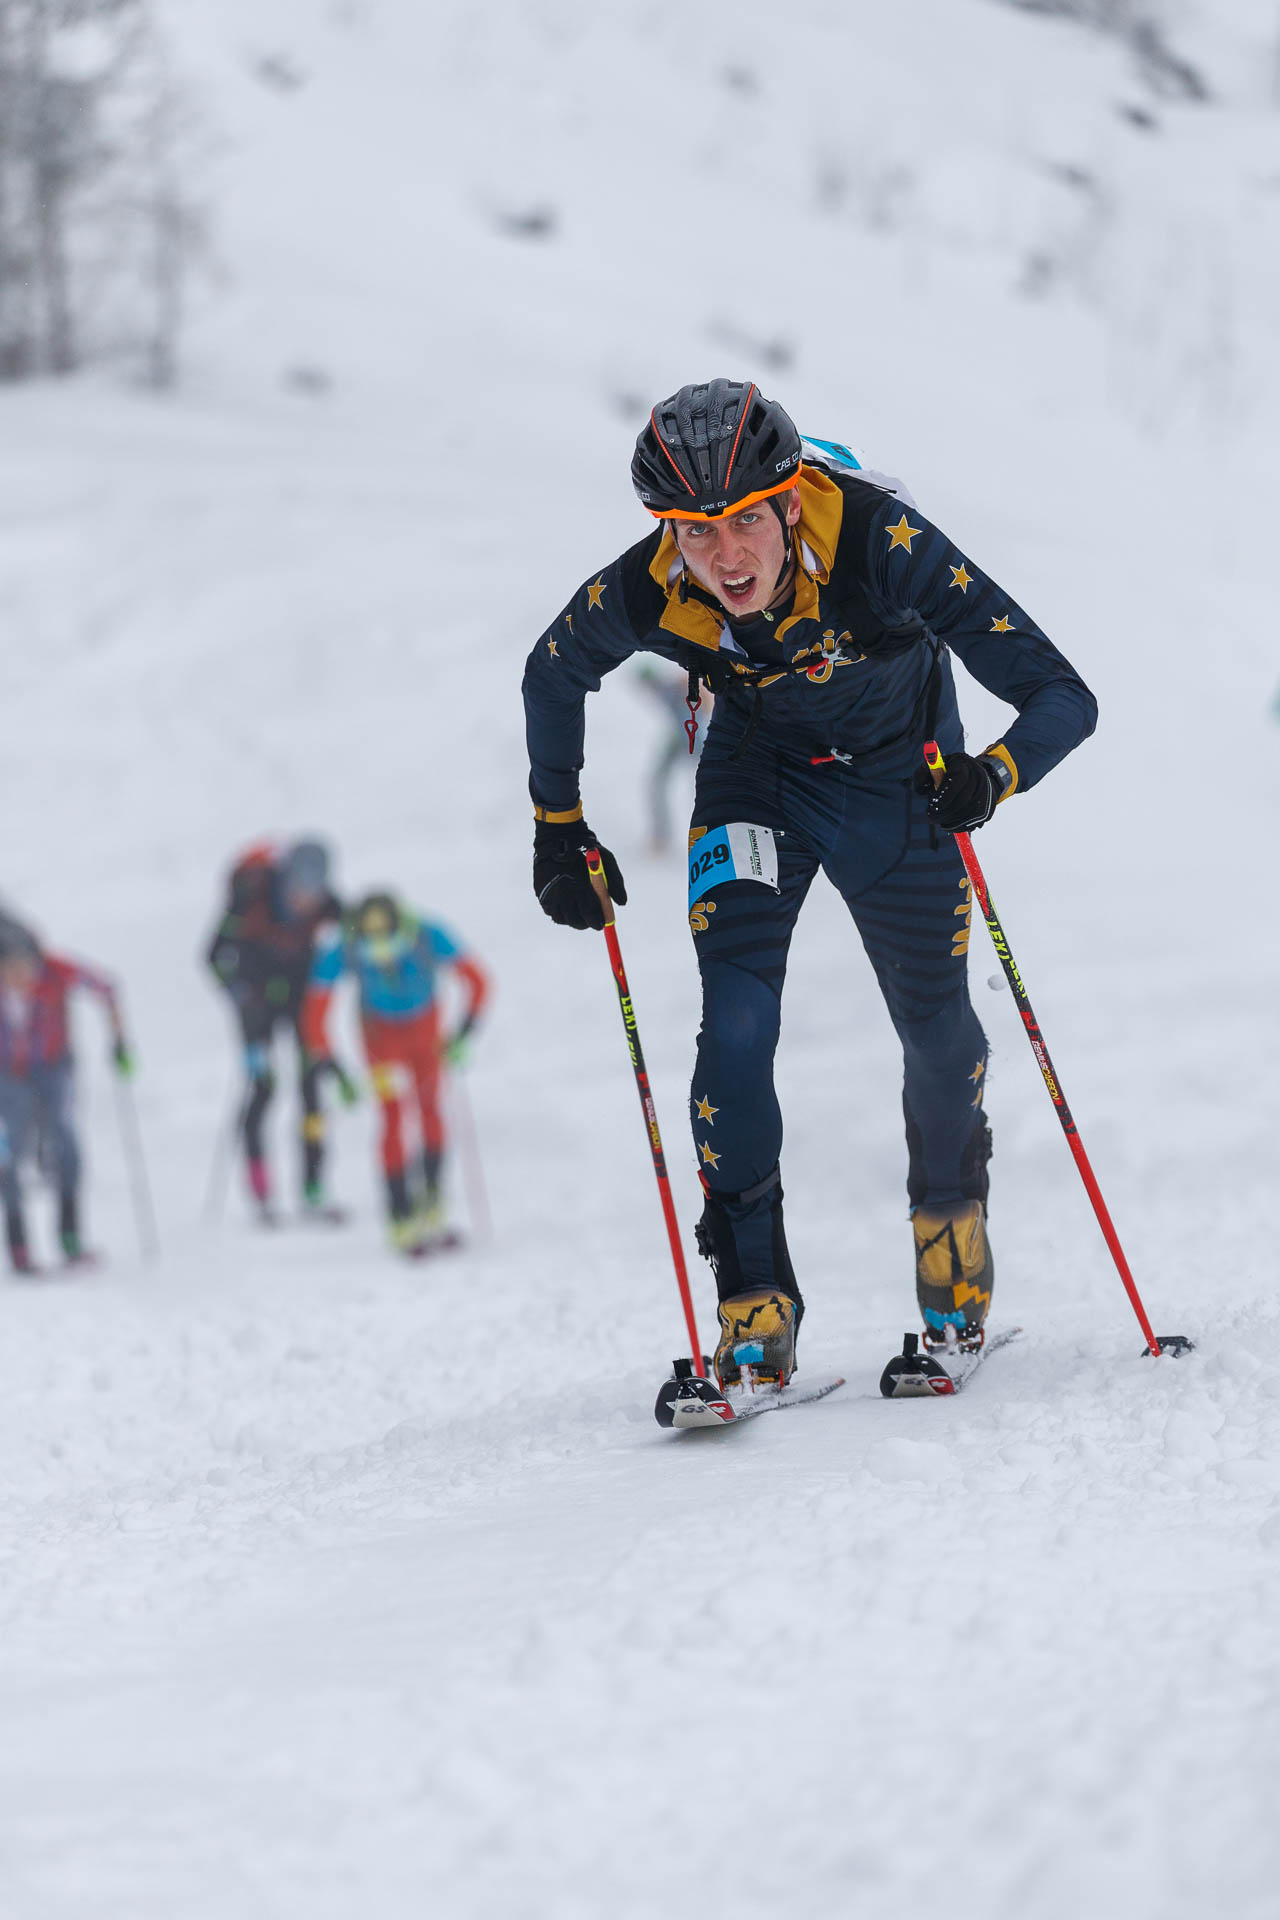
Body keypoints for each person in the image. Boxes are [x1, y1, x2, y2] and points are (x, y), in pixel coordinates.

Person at [523, 378, 1097, 1387]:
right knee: (734, 1028)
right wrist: (557, 826)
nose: (724, 555)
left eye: (744, 520)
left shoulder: (883, 543)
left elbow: (1061, 695)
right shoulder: (655, 582)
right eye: (695, 533)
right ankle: (753, 1298)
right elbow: (553, 671)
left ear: (789, 501)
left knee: (933, 1030)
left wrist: (989, 775)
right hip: (757, 779)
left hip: (897, 787)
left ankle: (948, 1229)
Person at [300, 891, 489, 1255]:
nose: (381, 949)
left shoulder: (427, 934)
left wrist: (465, 1033)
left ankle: (432, 1207)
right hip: (381, 1039)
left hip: (426, 1035)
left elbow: (478, 981)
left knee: (430, 1108)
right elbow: (315, 1010)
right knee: (393, 1116)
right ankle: (401, 1216)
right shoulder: (346, 945)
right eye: (372, 941)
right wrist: (331, 1065)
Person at [206, 838, 348, 1224]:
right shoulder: (250, 896)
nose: (305, 899)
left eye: (314, 891)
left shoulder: (330, 908)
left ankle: (314, 1188)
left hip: (299, 1007)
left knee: (311, 1091)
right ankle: (261, 1192)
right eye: (300, 889)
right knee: (262, 1089)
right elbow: (213, 956)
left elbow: (352, 942)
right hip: (257, 1010)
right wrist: (239, 995)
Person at [0, 914, 133, 1273]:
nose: (19, 977)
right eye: (9, 969)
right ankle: (19, 1247)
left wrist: (119, 1042)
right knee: (8, 1154)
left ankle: (70, 1239)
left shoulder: (56, 971)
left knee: (66, 1147)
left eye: (24, 966)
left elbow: (106, 988)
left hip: (54, 1071)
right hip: (7, 1078)